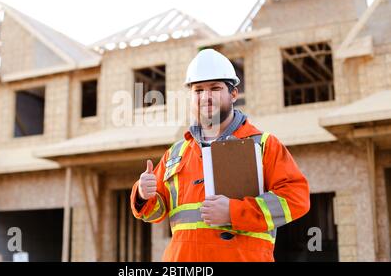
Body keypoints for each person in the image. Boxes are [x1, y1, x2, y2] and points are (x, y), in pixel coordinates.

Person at [130, 48, 310, 261]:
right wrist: (143, 194)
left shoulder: (262, 144)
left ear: (234, 93)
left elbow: (296, 198)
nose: (205, 97)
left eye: (215, 88)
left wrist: (234, 212)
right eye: (198, 90)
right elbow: (154, 213)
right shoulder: (177, 152)